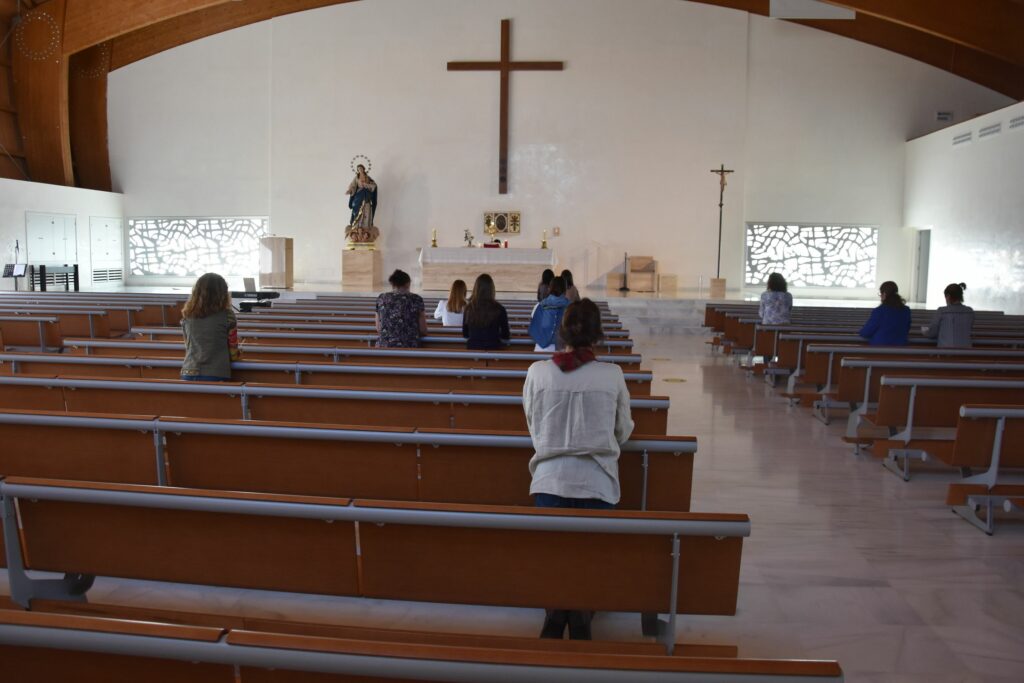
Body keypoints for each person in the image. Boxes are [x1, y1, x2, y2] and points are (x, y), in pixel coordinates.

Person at [523, 298, 635, 640]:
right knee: (589, 558)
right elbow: (623, 430)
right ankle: (582, 614)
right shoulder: (612, 374)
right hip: (597, 484)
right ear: (597, 336)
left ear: (562, 332)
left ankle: (556, 613)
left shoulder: (538, 372)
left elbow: (533, 425)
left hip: (549, 482)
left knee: (555, 557)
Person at [180, 272, 239, 382]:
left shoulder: (187, 316)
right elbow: (233, 353)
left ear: (196, 292)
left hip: (188, 371)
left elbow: (188, 346)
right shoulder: (228, 315)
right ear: (223, 293)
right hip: (216, 373)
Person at [376, 269, 427, 348]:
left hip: (384, 347)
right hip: (410, 347)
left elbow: (379, 329)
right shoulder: (417, 299)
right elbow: (423, 330)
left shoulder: (381, 298)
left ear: (392, 284)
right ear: (408, 283)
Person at [462, 273, 510, 350]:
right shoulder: (500, 309)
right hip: (494, 350)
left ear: (476, 289)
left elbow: (465, 334)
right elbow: (506, 335)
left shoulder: (468, 308)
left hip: (473, 350)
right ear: (492, 289)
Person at [859, 281, 911, 346]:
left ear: (884, 294)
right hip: (901, 348)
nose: (880, 296)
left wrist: (860, 331)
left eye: (880, 294)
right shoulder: (906, 310)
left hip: (878, 349)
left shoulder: (878, 311)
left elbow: (866, 333)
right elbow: (906, 330)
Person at [922, 282, 974, 347]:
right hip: (967, 351)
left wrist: (925, 332)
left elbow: (933, 333)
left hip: (946, 352)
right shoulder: (970, 311)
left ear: (948, 296)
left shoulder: (942, 311)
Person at [528, 276, 569, 352]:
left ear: (550, 288)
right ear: (565, 290)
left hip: (541, 349)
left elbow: (534, 326)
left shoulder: (539, 306)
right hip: (563, 351)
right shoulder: (571, 308)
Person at [346, 164, 378, 228]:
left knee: (366, 207)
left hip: (367, 195)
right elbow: (353, 185)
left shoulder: (368, 178)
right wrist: (350, 190)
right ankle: (356, 225)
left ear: (363, 169)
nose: (360, 170)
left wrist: (366, 185)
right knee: (357, 208)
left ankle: (366, 225)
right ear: (357, 170)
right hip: (359, 195)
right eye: (358, 169)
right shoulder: (356, 177)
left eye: (361, 168)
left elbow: (374, 185)